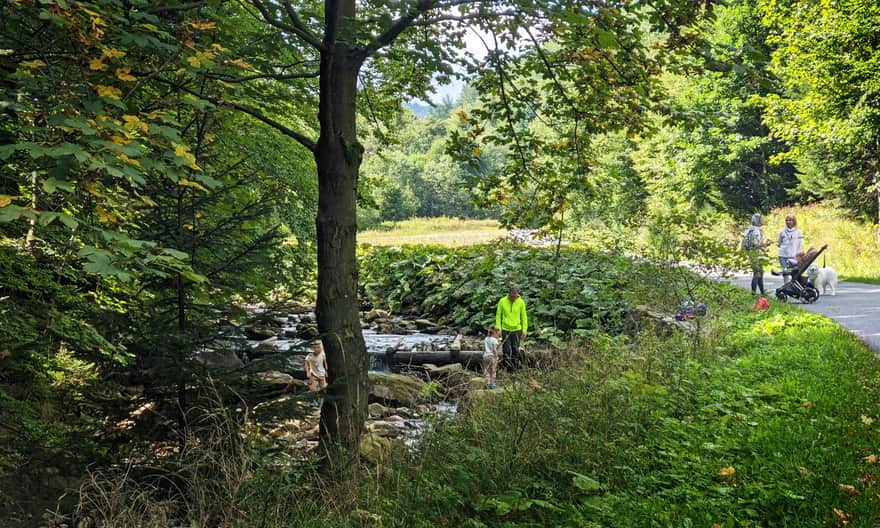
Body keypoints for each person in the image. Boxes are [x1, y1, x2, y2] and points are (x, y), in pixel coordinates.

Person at [495, 286, 528, 370]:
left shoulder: (521, 302)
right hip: (505, 329)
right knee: (506, 350)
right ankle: (506, 367)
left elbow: (524, 316)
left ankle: (514, 368)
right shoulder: (502, 301)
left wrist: (524, 330)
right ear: (509, 294)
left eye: (515, 296)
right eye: (512, 296)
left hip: (517, 330)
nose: (514, 298)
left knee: (515, 350)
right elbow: (498, 315)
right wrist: (498, 328)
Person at [743, 213, 772, 295]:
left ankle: (762, 292)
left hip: (751, 254)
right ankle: (753, 293)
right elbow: (755, 245)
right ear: (758, 220)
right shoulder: (756, 231)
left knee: (760, 273)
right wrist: (765, 244)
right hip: (756, 255)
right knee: (757, 274)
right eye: (762, 218)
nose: (764, 220)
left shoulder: (750, 229)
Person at [777, 214, 803, 283]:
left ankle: (794, 286)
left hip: (794, 256)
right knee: (785, 271)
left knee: (794, 272)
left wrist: (799, 255)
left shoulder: (798, 232)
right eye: (787, 220)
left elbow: (800, 245)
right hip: (783, 255)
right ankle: (786, 287)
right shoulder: (782, 232)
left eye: (790, 220)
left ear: (794, 221)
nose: (788, 222)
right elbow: (779, 244)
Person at [304, 340, 328, 407]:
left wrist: (326, 371)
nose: (317, 349)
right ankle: (314, 401)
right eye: (315, 348)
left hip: (321, 374)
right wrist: (308, 372)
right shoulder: (310, 355)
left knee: (323, 388)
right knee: (313, 389)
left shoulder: (323, 354)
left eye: (319, 348)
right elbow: (306, 363)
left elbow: (325, 363)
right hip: (313, 374)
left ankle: (321, 402)